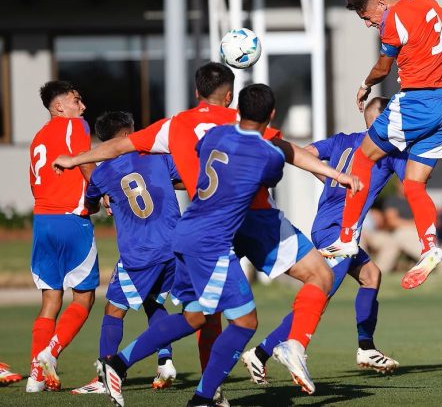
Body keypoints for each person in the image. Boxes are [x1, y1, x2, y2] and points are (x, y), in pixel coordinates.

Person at [53, 67, 358, 396]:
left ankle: (144, 371)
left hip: (195, 227)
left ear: (197, 92)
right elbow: (287, 154)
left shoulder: (178, 125)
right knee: (314, 281)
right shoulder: (242, 128)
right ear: (232, 98)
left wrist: (74, 159)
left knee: (199, 316)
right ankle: (291, 345)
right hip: (245, 222)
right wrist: (333, 174)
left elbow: (118, 147)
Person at [95, 84, 286, 407]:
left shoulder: (209, 138)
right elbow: (270, 175)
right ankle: (200, 394)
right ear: (270, 115)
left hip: (184, 237)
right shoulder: (265, 153)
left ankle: (119, 363)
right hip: (209, 243)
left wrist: (76, 161)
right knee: (245, 321)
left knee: (194, 316)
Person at [321, 0, 442, 291]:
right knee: (414, 183)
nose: (370, 24)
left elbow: (384, 68)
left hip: (416, 102)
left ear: (380, 4)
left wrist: (364, 85)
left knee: (362, 156)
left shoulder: (392, 22)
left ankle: (346, 238)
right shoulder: (424, 0)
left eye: (368, 17)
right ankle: (429, 246)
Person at [241, 97, 402, 385]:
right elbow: (415, 176)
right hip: (336, 230)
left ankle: (366, 347)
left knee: (371, 275)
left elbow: (303, 153)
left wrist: (329, 177)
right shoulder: (385, 152)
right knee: (319, 293)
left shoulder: (344, 140)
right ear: (381, 121)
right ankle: (262, 353)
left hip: (330, 227)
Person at [71, 111, 181, 395]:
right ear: (126, 134)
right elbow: (180, 178)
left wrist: (108, 195)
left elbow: (91, 203)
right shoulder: (156, 156)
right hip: (174, 246)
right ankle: (166, 360)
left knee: (114, 310)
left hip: (140, 254)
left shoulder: (103, 173)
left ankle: (106, 374)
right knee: (153, 303)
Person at [27, 81, 99, 393]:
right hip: (71, 220)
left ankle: (36, 378)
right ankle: (50, 354)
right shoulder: (75, 125)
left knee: (50, 299)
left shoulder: (37, 138)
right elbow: (84, 161)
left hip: (42, 221)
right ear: (60, 107)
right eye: (76, 100)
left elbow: (34, 182)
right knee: (84, 297)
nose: (82, 107)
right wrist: (102, 194)